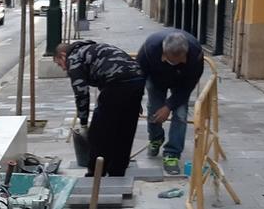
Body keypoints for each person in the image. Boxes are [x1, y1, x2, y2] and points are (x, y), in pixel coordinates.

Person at [54, 40, 145, 177]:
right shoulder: (92, 49)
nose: (62, 68)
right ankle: (117, 171)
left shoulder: (73, 57)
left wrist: (83, 122)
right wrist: (135, 103)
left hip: (117, 84)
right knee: (125, 129)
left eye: (59, 63)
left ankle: (96, 172)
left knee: (99, 132)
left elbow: (81, 93)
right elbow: (113, 70)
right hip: (137, 79)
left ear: (62, 55)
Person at [137, 28, 204, 176]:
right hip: (156, 79)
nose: (178, 62)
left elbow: (188, 87)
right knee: (154, 109)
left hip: (182, 82)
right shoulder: (150, 48)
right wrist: (136, 99)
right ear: (164, 53)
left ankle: (172, 154)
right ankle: (155, 138)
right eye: (172, 60)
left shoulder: (195, 55)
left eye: (180, 60)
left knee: (180, 113)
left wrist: (168, 106)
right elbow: (139, 74)